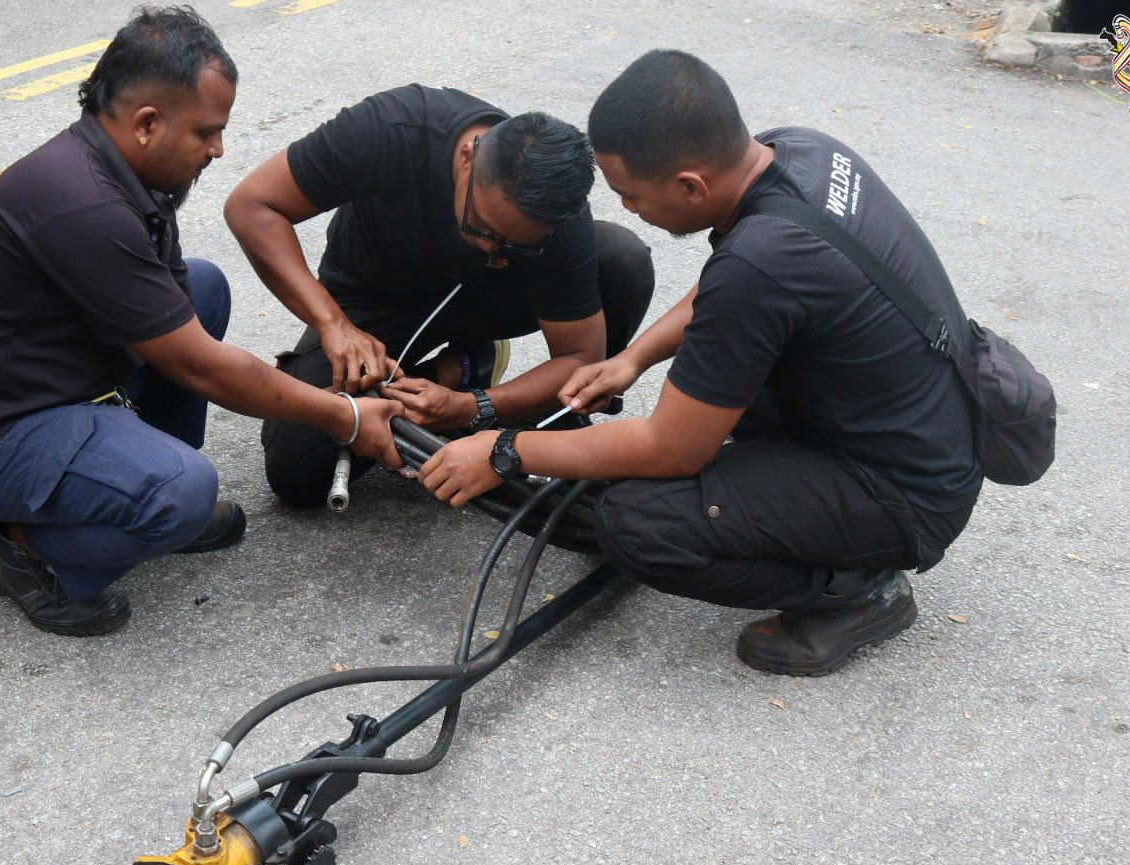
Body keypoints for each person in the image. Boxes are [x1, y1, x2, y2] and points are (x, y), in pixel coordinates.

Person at [416, 50, 984, 677]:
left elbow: (671, 449)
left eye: (631, 195)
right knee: (667, 434)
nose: (629, 211)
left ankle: (856, 590)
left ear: (691, 185)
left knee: (635, 524)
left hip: (904, 496)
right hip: (926, 436)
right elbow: (735, 281)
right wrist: (633, 358)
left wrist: (504, 449)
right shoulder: (800, 152)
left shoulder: (760, 265)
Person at [0, 7, 400, 637]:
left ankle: (133, 488)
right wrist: (344, 416)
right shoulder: (83, 205)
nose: (218, 149)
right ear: (146, 124)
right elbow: (200, 365)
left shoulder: (118, 171)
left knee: (205, 287)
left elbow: (180, 324)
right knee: (184, 490)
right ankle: (24, 546)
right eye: (207, 132)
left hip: (49, 384)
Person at [223, 83, 655, 508]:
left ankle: (541, 421)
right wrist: (333, 325)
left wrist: (472, 407)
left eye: (512, 243)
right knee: (297, 471)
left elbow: (580, 357)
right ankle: (461, 367)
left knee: (622, 260)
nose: (487, 246)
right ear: (467, 158)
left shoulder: (559, 211)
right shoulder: (393, 128)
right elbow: (252, 205)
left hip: (491, 300)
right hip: (375, 301)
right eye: (480, 224)